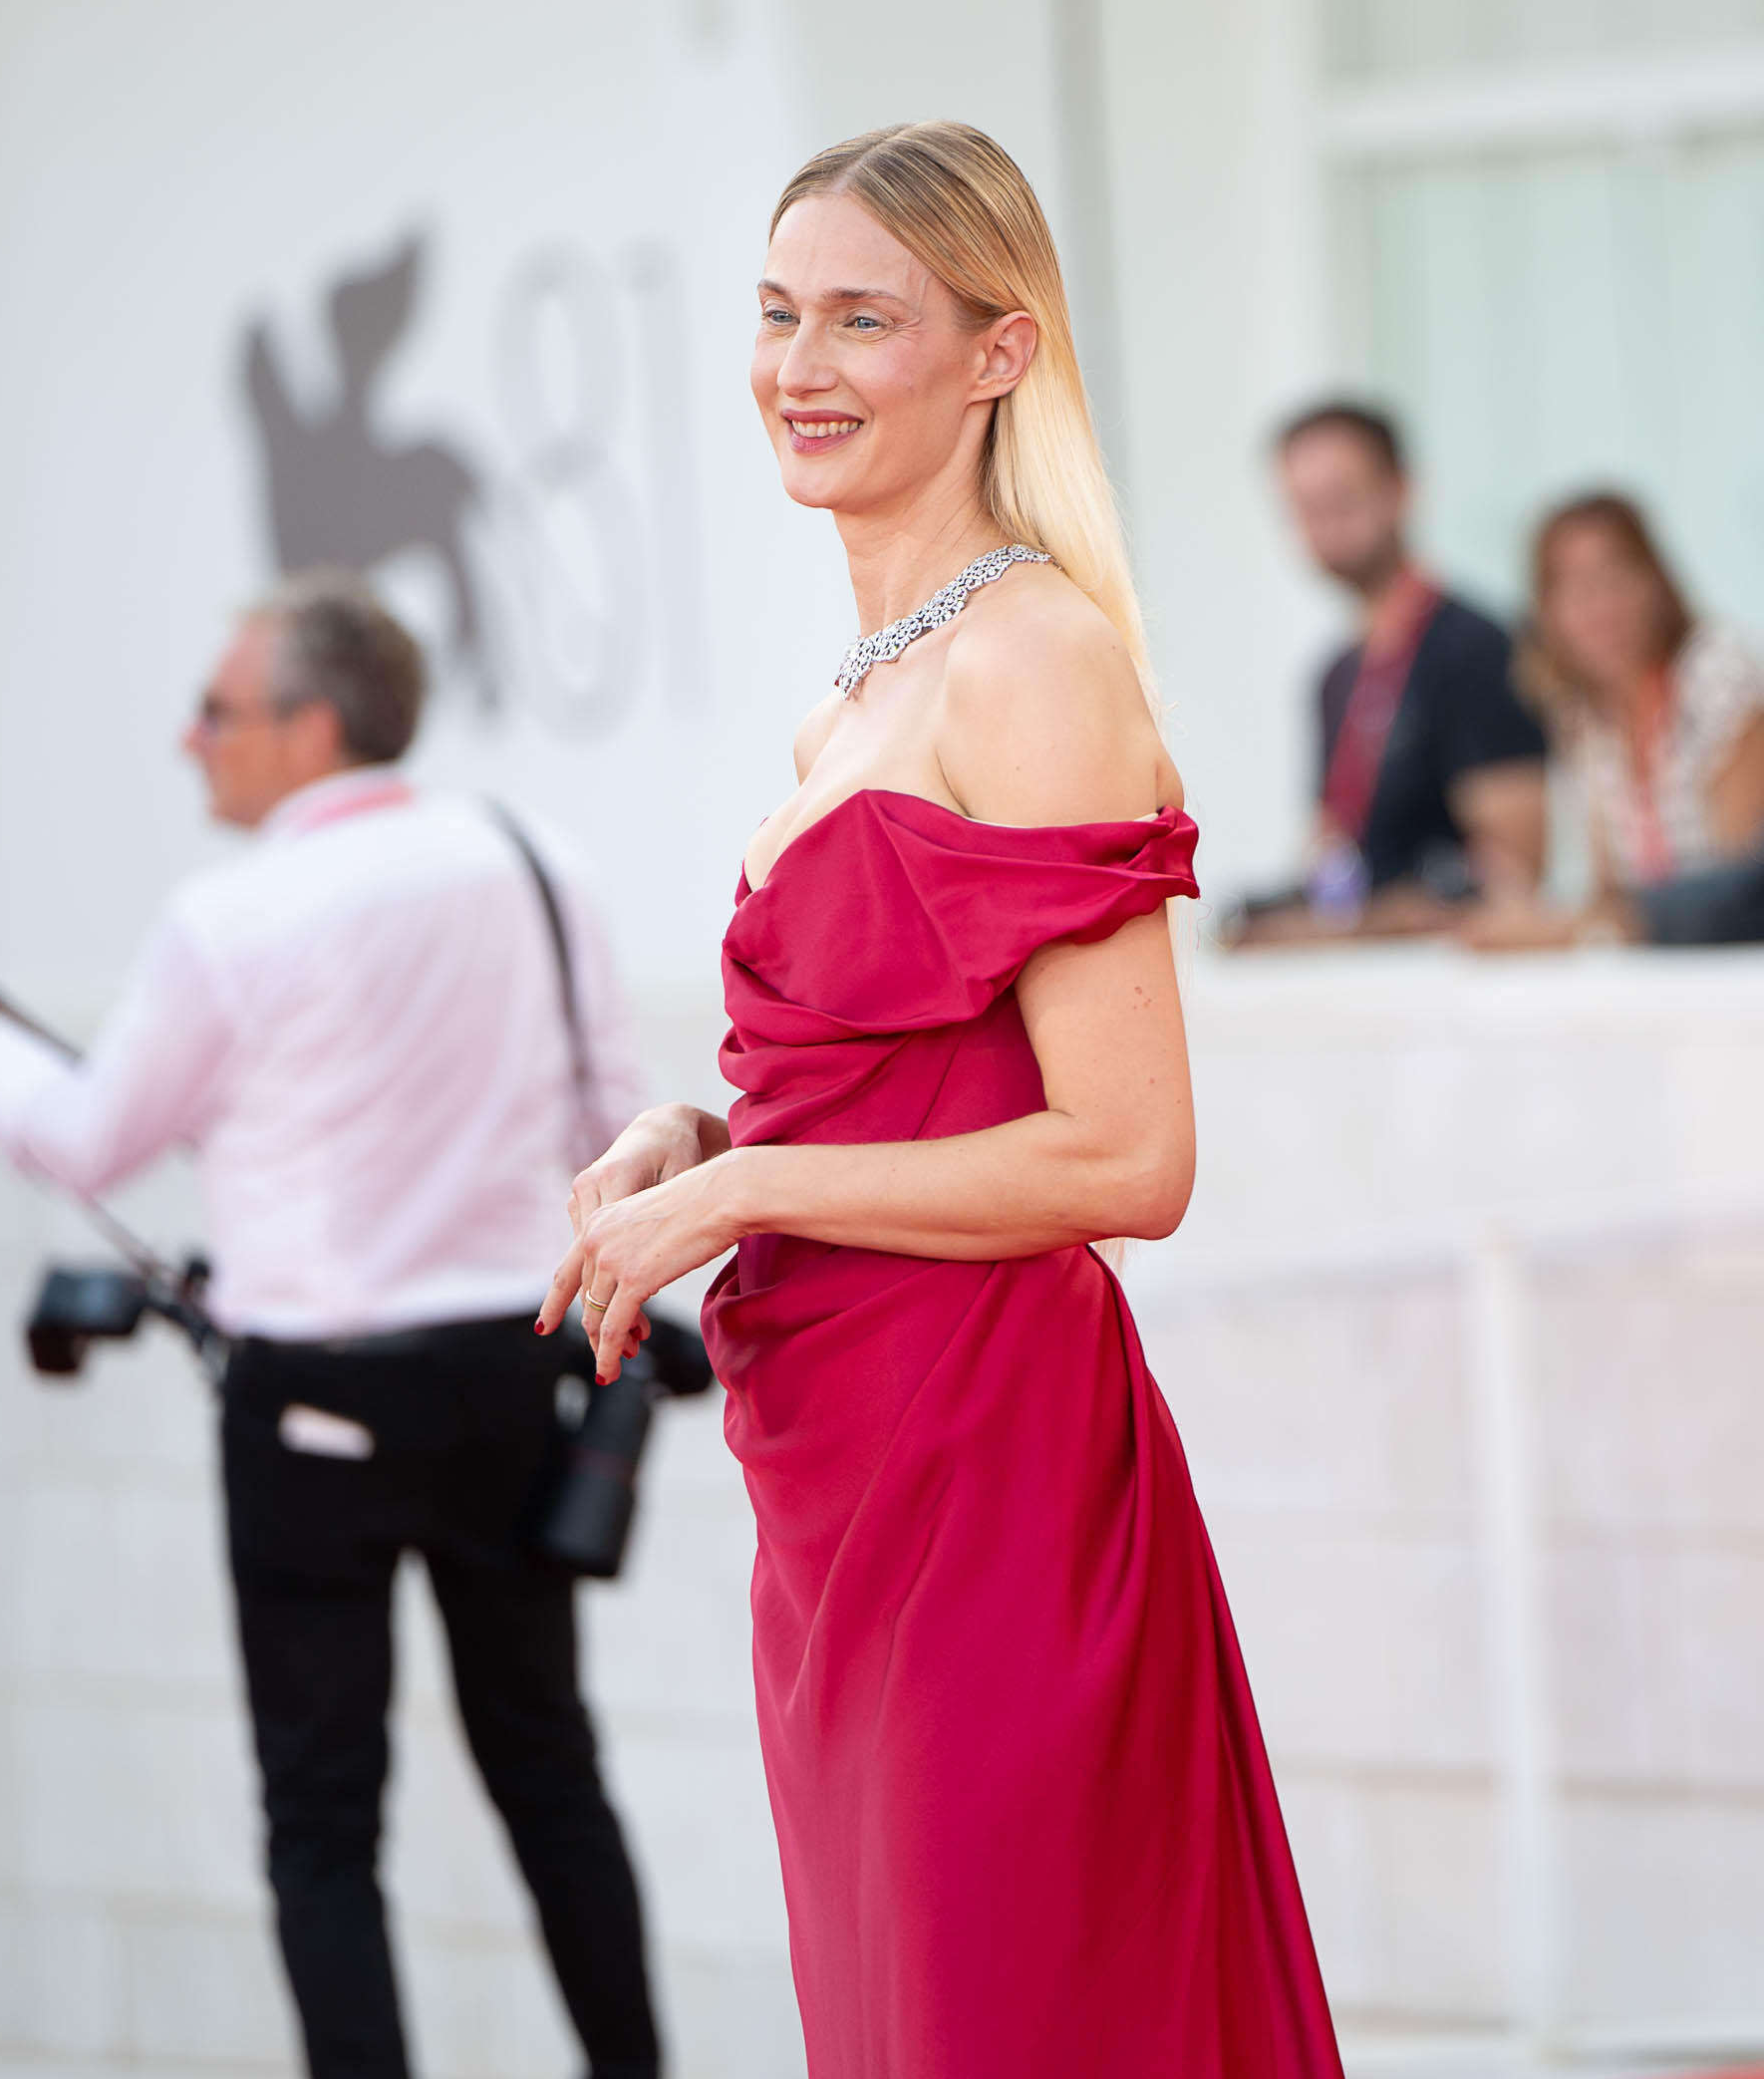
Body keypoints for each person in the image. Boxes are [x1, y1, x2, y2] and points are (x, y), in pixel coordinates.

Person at [536, 122, 1339, 2077]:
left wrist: (738, 1199)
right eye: (775, 313)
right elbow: (902, 1081)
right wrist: (696, 1142)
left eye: (859, 319)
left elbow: (1130, 1156)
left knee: (1014, 2013)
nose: (796, 366)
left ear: (993, 353)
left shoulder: (1036, 659)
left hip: (987, 1463)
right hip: (839, 1475)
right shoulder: (854, 701)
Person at [0, 576, 663, 2079]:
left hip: (309, 1404)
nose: (189, 740)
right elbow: (605, 1120)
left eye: (217, 711)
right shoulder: (532, 856)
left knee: (322, 1823)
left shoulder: (227, 917)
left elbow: (87, 1136)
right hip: (511, 1367)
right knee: (552, 1771)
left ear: (312, 726)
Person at [1462, 488, 1764, 947]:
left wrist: (1565, 930)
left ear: (1655, 582)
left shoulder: (1721, 675)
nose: (1594, 605)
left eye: (1612, 576)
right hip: (1696, 966)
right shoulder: (1586, 716)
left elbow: (1741, 889)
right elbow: (1613, 892)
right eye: (1568, 586)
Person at [1236, 398, 1548, 940]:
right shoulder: (1333, 674)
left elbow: (1513, 872)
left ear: (1401, 491)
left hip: (1447, 981)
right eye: (1306, 509)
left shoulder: (1474, 647)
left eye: (1343, 499)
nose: (1326, 526)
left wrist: (1363, 924)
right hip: (1366, 969)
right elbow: (1327, 846)